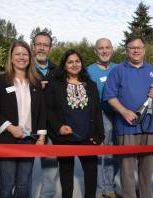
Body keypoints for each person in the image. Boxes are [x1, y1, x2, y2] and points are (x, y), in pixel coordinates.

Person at [103, 36, 153, 198]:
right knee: (127, 169)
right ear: (126, 50)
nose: (136, 50)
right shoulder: (118, 71)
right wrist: (124, 111)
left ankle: (145, 195)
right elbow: (109, 96)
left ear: (144, 50)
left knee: (147, 168)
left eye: (139, 47)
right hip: (126, 127)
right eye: (132, 48)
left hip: (151, 127)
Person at [0, 40, 47, 198]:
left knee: (24, 184)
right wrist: (11, 128)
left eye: (25, 54)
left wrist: (41, 136)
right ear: (11, 58)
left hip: (28, 139)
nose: (21, 57)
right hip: (5, 139)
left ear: (30, 57)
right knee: (7, 184)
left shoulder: (35, 82)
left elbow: (41, 112)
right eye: (17, 54)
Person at [45, 49, 105, 198]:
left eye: (77, 61)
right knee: (66, 177)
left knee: (91, 174)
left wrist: (99, 135)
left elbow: (97, 111)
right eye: (70, 62)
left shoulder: (90, 85)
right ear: (64, 65)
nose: (74, 64)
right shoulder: (55, 84)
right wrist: (58, 127)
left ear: (81, 64)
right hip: (65, 138)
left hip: (88, 138)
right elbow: (47, 109)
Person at [87, 38, 118, 198]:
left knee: (113, 154)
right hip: (98, 117)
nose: (104, 51)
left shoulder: (119, 68)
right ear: (95, 51)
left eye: (107, 47)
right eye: (101, 48)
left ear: (112, 49)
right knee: (99, 154)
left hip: (118, 116)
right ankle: (98, 190)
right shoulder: (88, 71)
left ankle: (109, 187)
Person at [32, 31, 59, 198]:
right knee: (23, 167)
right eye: (38, 44)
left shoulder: (58, 70)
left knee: (50, 166)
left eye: (45, 45)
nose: (42, 48)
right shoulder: (23, 68)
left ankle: (47, 196)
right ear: (33, 46)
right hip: (27, 124)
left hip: (50, 124)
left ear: (50, 48)